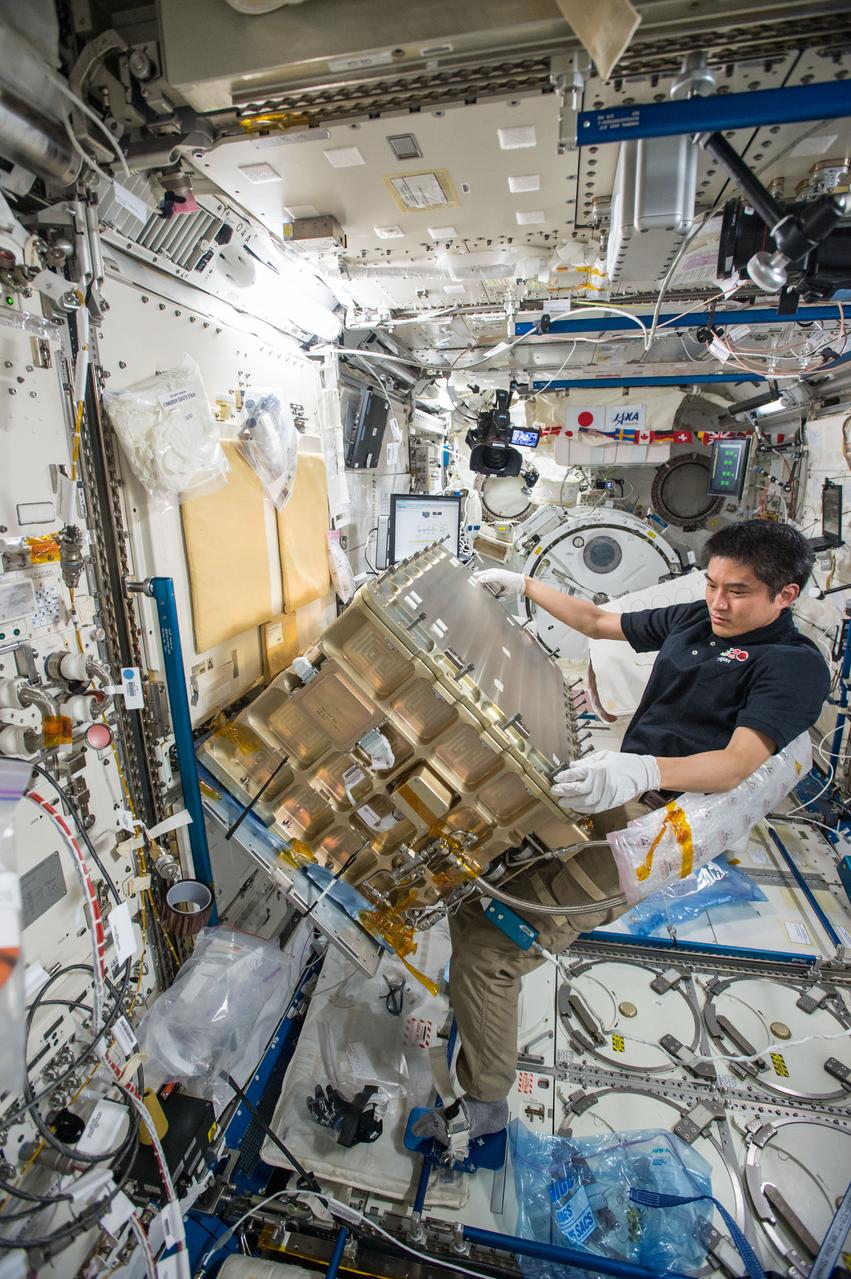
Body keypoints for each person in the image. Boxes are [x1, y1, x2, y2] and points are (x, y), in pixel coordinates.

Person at [413, 519, 830, 1150]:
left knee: (490, 952)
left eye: (738, 591)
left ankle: (483, 1113)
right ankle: (476, 1011)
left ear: (786, 596)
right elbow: (599, 622)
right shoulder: (698, 619)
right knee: (481, 892)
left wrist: (641, 768)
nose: (718, 601)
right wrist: (522, 583)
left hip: (653, 831)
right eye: (713, 583)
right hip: (612, 792)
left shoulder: (792, 667)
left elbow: (738, 763)